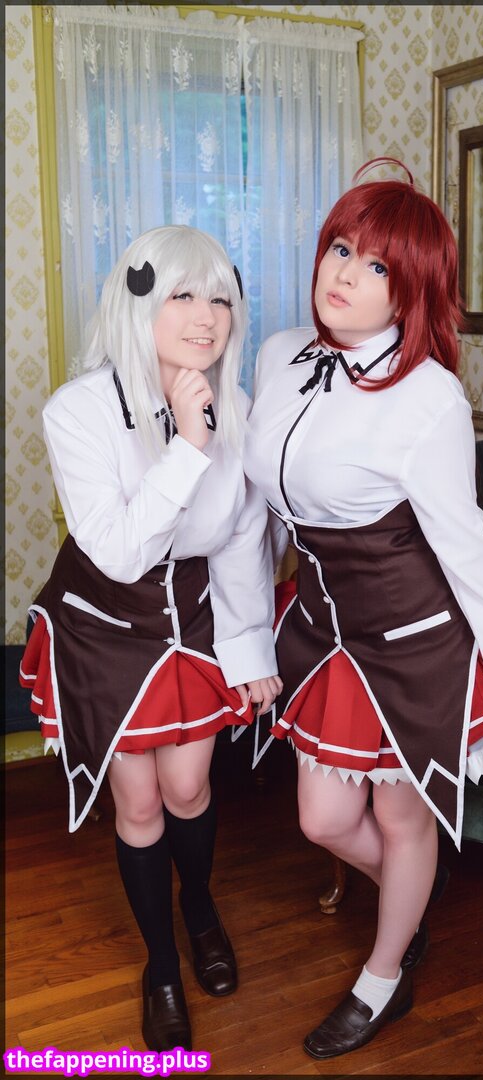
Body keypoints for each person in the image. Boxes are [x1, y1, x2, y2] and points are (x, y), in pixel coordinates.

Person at [244, 158, 483, 1059]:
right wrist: (244, 630)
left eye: (377, 264)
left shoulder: (428, 397)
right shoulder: (281, 357)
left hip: (415, 637)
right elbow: (255, 514)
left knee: (399, 815)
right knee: (321, 818)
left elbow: (464, 544)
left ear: (411, 287)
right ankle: (410, 896)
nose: (344, 273)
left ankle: (382, 977)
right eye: (340, 249)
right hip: (326, 630)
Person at [19, 225, 282, 1052]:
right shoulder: (78, 411)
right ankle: (160, 965)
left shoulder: (237, 408)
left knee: (190, 787)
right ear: (137, 305)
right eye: (182, 295)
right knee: (137, 803)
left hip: (193, 619)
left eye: (221, 299)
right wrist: (189, 446)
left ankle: (199, 910)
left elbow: (241, 540)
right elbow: (122, 552)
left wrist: (250, 648)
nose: (206, 317)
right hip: (105, 623)